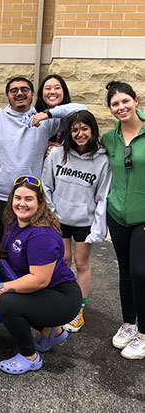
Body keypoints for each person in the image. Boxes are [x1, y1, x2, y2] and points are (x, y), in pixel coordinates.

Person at [0, 77, 85, 263]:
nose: (19, 93)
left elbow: (81, 110)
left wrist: (46, 115)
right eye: (14, 90)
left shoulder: (44, 121)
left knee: (27, 246)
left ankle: (19, 286)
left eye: (25, 89)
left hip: (30, 197)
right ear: (7, 95)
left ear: (33, 94)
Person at [0, 176, 81, 375]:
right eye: (18, 198)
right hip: (46, 292)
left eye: (28, 199)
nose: (22, 203)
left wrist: (1, 288)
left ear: (39, 203)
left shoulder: (41, 235)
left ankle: (30, 357)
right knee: (5, 293)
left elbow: (39, 279)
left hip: (61, 297)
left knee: (7, 302)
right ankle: (52, 331)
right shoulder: (14, 222)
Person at [42, 111, 111, 333]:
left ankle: (77, 311)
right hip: (59, 219)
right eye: (74, 129)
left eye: (84, 129)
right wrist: (51, 214)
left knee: (81, 264)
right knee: (63, 261)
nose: (79, 134)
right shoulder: (57, 154)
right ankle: (62, 303)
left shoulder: (102, 159)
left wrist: (98, 226)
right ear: (68, 132)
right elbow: (46, 185)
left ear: (93, 130)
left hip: (84, 221)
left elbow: (103, 195)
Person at [101, 81, 145, 360]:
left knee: (141, 271)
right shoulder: (109, 137)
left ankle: (144, 332)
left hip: (143, 216)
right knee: (126, 271)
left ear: (136, 100)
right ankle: (129, 323)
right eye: (115, 104)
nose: (121, 107)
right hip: (117, 213)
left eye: (125, 101)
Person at [34, 74, 72, 146]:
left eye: (57, 88)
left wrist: (59, 149)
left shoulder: (71, 116)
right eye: (48, 88)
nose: (52, 92)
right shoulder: (34, 116)